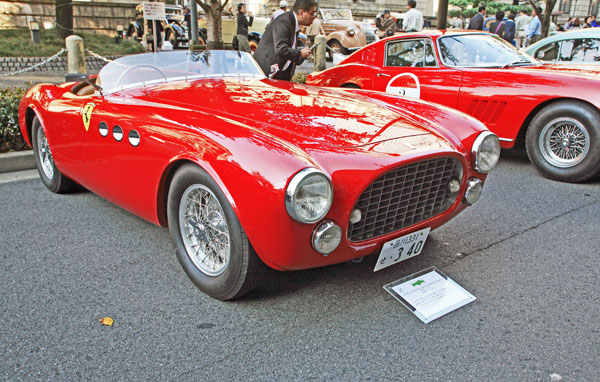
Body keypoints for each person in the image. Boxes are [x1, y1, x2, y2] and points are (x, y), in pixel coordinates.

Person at [253, 0, 316, 81]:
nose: (314, 18)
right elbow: (281, 49)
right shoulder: (284, 22)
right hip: (265, 73)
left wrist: (302, 55)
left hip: (279, 75)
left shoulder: (293, 23)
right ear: (301, 13)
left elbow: (290, 53)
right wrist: (300, 53)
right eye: (312, 14)